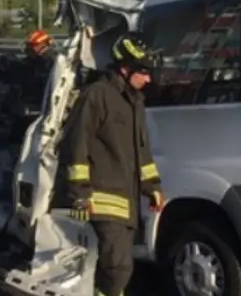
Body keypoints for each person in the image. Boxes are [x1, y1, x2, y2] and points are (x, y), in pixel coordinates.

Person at [61, 32, 166, 296]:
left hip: (125, 198)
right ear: (124, 68)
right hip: (101, 196)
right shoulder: (97, 95)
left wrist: (152, 186)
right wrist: (80, 194)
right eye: (144, 71)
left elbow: (141, 150)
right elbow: (76, 144)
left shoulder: (135, 102)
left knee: (116, 266)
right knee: (118, 266)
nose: (149, 78)